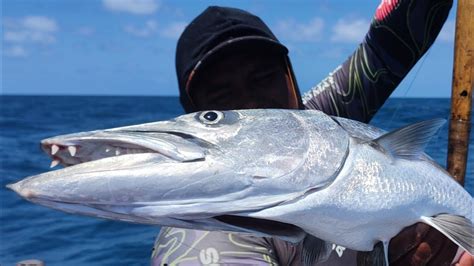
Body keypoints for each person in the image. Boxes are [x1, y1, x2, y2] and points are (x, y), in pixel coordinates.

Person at [152, 1, 472, 265]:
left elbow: (398, 37)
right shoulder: (207, 228)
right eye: (221, 102)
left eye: (263, 77)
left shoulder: (320, 126)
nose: (252, 107)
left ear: (291, 78)